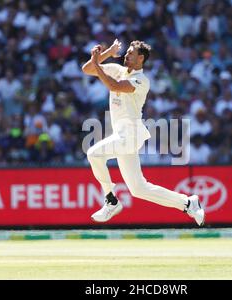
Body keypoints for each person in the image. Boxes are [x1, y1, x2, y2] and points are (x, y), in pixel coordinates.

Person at [81, 39, 205, 226]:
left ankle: (111, 200)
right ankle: (188, 203)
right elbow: (87, 69)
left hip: (130, 134)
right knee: (139, 189)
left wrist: (98, 63)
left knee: (93, 154)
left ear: (140, 58)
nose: (126, 54)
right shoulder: (117, 69)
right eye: (127, 51)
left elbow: (114, 86)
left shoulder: (141, 80)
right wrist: (104, 55)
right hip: (122, 136)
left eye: (131, 53)